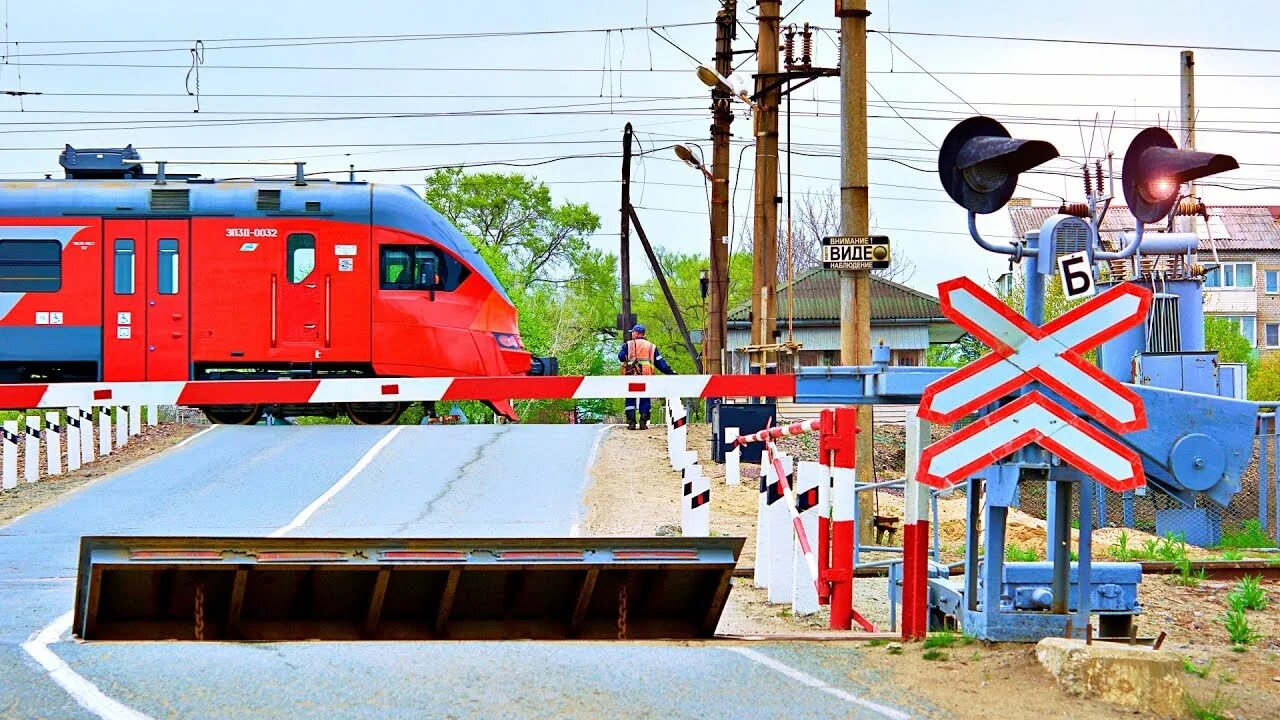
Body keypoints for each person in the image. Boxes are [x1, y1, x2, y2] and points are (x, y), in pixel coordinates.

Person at [617, 323, 675, 430]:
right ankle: (643, 422)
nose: (632, 334)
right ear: (643, 334)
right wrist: (671, 373)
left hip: (632, 375)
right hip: (647, 377)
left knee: (630, 398)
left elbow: (620, 357)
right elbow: (660, 362)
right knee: (645, 398)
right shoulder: (651, 346)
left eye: (633, 332)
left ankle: (631, 423)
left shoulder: (628, 344)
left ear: (637, 333)